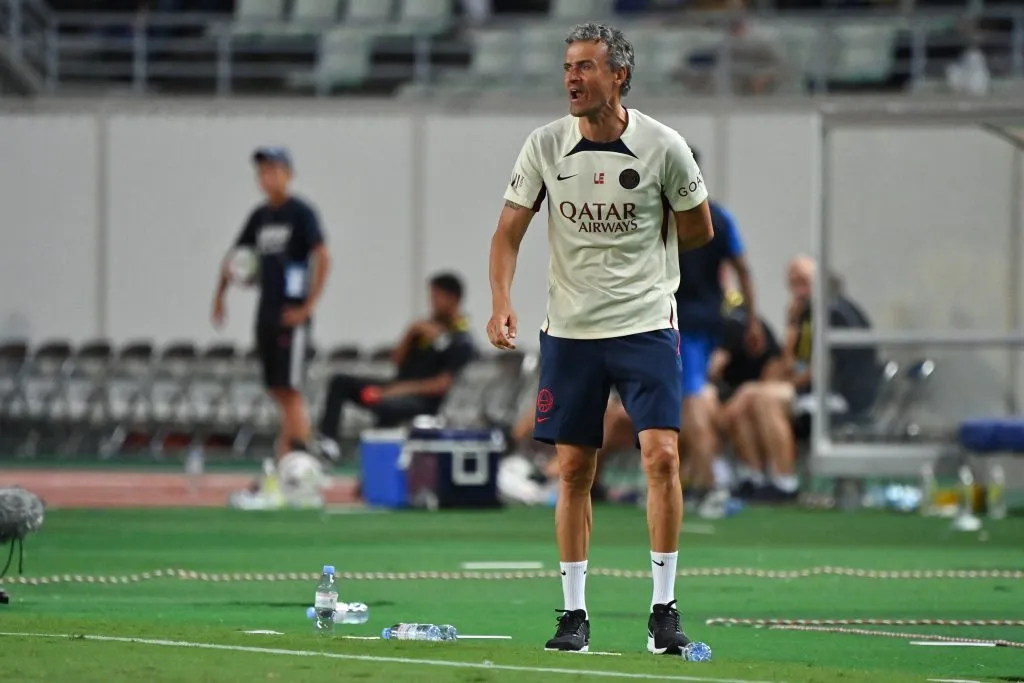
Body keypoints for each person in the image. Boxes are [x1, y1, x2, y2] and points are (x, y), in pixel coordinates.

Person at [487, 23, 713, 655]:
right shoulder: (544, 146)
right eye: (567, 66)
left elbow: (700, 229)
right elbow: (507, 234)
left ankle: (664, 609)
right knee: (573, 468)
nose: (572, 78)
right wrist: (502, 301)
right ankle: (573, 615)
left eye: (586, 66)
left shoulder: (664, 147)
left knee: (662, 457)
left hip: (646, 324)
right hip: (571, 332)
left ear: (619, 76)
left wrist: (649, 249)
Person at [212, 147, 331, 481]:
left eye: (273, 170)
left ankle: (303, 466)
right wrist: (220, 296)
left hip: (291, 316)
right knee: (278, 390)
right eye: (262, 172)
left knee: (291, 390)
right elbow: (236, 258)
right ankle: (287, 464)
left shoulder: (301, 213)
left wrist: (308, 305)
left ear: (288, 174)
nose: (267, 178)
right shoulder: (260, 217)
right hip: (266, 314)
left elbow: (323, 255)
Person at [727, 256, 879, 501]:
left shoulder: (832, 312)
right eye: (793, 282)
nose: (798, 288)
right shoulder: (807, 314)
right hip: (815, 392)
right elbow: (788, 365)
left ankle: (784, 482)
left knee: (765, 399)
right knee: (744, 398)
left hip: (842, 398)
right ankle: (754, 477)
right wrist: (791, 325)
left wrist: (780, 386)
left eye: (804, 281)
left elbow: (820, 371)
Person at [675, 147, 764, 509]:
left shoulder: (666, 216)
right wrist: (752, 319)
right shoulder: (720, 217)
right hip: (712, 319)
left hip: (681, 324)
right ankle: (697, 478)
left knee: (694, 398)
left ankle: (713, 482)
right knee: (695, 398)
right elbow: (743, 269)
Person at [318, 273, 477, 440]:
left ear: (453, 299)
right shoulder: (423, 330)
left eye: (437, 297)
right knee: (340, 382)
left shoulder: (461, 340)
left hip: (422, 401)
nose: (432, 302)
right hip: (396, 387)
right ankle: (327, 442)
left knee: (384, 404)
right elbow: (396, 361)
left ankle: (382, 448)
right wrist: (411, 332)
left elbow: (440, 385)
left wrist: (394, 391)